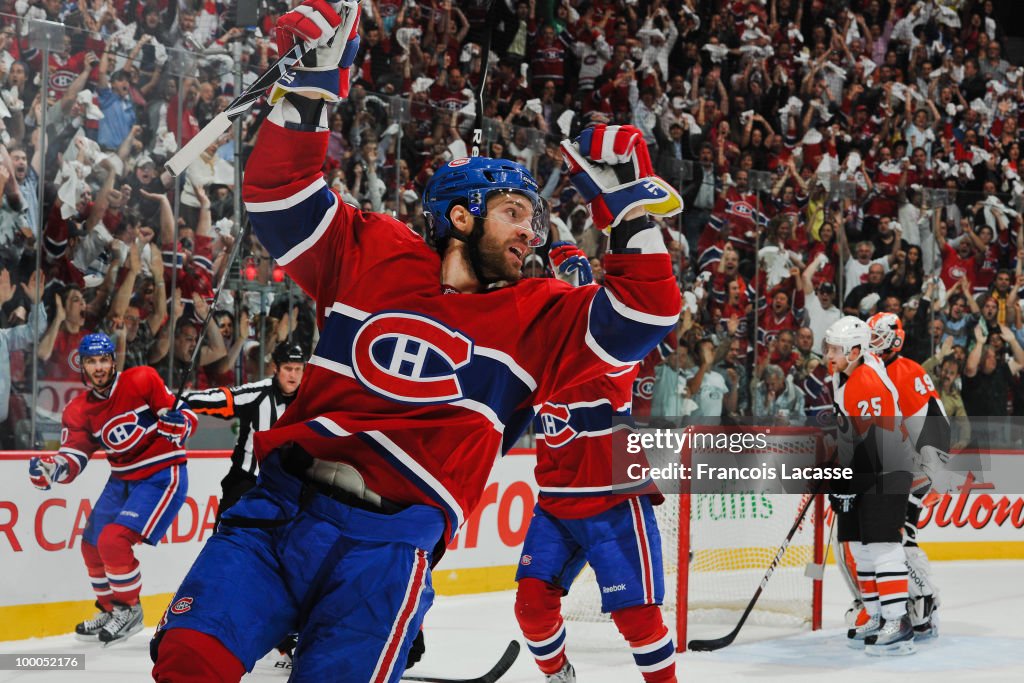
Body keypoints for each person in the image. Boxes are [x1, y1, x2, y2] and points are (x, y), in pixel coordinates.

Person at [150, 2, 682, 681]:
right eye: (515, 213)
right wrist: (311, 86)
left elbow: (645, 315)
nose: (532, 233)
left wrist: (630, 209)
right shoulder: (375, 248)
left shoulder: (540, 315)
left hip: (390, 547)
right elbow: (280, 194)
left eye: (535, 220)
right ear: (459, 215)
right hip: (279, 508)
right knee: (188, 660)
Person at [516, 244, 675, 683]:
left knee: (638, 622)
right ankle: (558, 675)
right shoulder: (533, 359)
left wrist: (578, 271)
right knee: (530, 607)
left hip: (613, 501)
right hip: (554, 503)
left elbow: (615, 320)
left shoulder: (611, 354)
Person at [28, 333, 196, 646]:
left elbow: (187, 416)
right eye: (92, 361)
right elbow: (74, 458)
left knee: (113, 540)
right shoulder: (78, 411)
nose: (99, 367)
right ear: (82, 365)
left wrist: (179, 425)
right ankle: (109, 609)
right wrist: (53, 469)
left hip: (161, 473)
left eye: (104, 359)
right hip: (122, 479)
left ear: (113, 360)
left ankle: (129, 609)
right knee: (90, 544)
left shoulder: (142, 379)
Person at [823, 316, 917, 656]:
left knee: (882, 544)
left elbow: (876, 442)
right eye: (829, 347)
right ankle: (876, 614)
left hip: (887, 469)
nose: (829, 354)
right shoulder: (843, 373)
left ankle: (898, 620)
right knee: (859, 544)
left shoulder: (866, 383)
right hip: (865, 468)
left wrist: (847, 479)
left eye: (836, 349)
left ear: (856, 351)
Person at [861, 312, 950, 641]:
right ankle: (914, 602)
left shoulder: (898, 371)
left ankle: (925, 598)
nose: (872, 343)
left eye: (878, 336)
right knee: (894, 534)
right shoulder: (891, 368)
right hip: (920, 457)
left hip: (924, 459)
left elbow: (909, 425)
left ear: (895, 338)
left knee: (898, 535)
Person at [183, 341, 307, 519]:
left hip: (285, 487)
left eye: (298, 369)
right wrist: (181, 400)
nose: (293, 375)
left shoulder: (308, 401)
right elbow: (223, 399)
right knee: (225, 540)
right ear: (275, 367)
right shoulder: (258, 393)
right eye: (288, 368)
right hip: (246, 482)